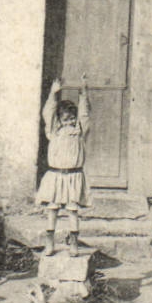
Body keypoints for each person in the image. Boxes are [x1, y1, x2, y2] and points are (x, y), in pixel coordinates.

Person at [37, 79, 90, 255]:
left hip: (73, 176)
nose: (69, 122)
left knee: (72, 211)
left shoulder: (79, 132)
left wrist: (83, 93)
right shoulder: (53, 132)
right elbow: (48, 113)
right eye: (65, 119)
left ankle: (73, 244)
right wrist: (54, 93)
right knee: (52, 209)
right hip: (55, 176)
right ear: (59, 120)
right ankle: (50, 243)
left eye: (72, 118)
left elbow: (85, 114)